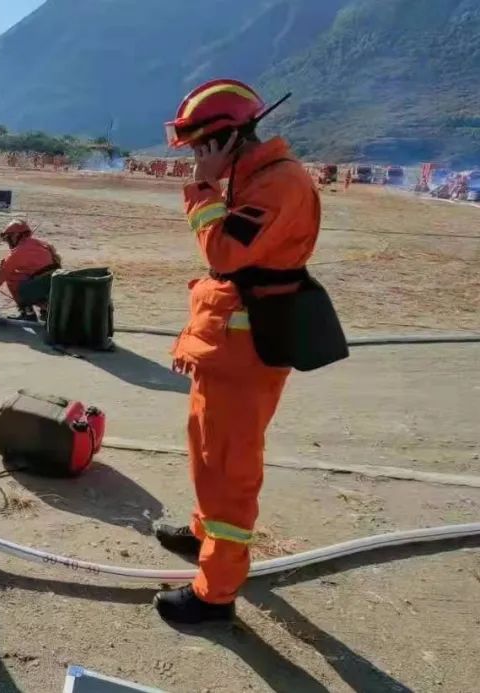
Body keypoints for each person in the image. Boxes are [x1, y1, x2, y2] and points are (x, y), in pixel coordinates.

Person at [154, 78, 320, 624]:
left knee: (230, 467)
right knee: (208, 450)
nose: (197, 160)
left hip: (246, 358)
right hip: (223, 350)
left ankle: (215, 593)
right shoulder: (254, 176)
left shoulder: (279, 185)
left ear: (225, 140)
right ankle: (204, 534)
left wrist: (200, 190)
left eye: (201, 149)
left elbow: (225, 254)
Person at [0, 220, 62, 322]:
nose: (9, 242)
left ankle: (27, 312)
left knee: (12, 277)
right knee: (29, 277)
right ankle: (46, 309)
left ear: (16, 235)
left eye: (9, 238)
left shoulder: (20, 251)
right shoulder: (41, 244)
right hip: (55, 284)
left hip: (42, 286)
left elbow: (2, 273)